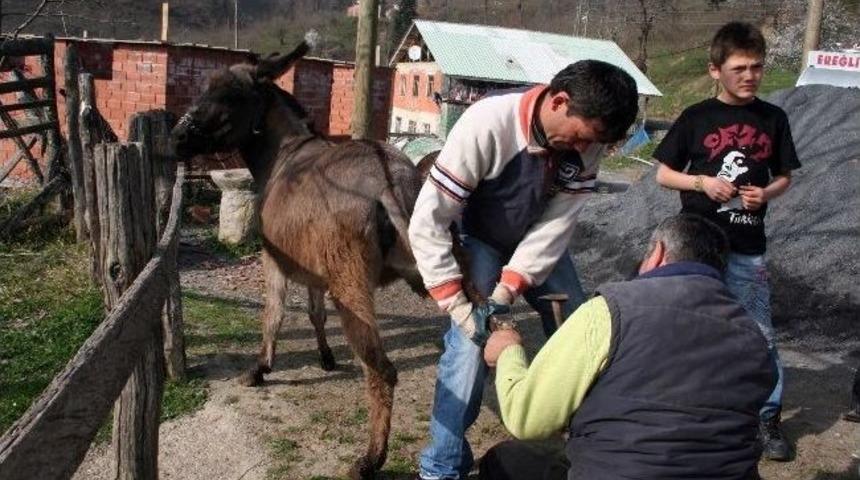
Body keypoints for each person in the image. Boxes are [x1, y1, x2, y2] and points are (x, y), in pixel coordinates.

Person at [407, 60, 639, 480]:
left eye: (593, 142)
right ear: (560, 101)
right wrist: (461, 307)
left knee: (582, 327)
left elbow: (556, 224)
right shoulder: (487, 123)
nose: (583, 148)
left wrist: (511, 286)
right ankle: (441, 466)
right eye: (581, 136)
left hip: (537, 240)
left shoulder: (589, 141)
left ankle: (593, 447)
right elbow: (428, 222)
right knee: (468, 347)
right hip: (480, 238)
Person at [481, 214, 777, 480]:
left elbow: (526, 419)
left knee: (505, 461)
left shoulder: (612, 310)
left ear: (657, 253)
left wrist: (508, 352)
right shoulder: (753, 337)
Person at [652, 21, 801, 461]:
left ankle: (766, 418)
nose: (750, 76)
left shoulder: (774, 118)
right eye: (739, 68)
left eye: (757, 67)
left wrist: (765, 194)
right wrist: (702, 182)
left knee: (759, 333)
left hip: (747, 245)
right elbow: (663, 174)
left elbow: (785, 176)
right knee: (686, 327)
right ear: (715, 70)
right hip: (695, 246)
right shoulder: (696, 117)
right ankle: (681, 410)